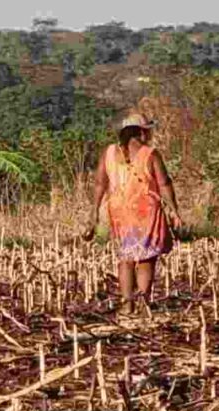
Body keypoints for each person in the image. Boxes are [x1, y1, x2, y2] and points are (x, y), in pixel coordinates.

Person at [85, 112, 183, 311]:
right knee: (146, 257)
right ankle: (143, 302)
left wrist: (94, 212)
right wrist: (174, 210)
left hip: (120, 212)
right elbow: (164, 184)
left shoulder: (109, 153)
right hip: (146, 211)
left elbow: (99, 184)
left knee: (126, 257)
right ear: (141, 132)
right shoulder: (150, 154)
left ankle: (127, 303)